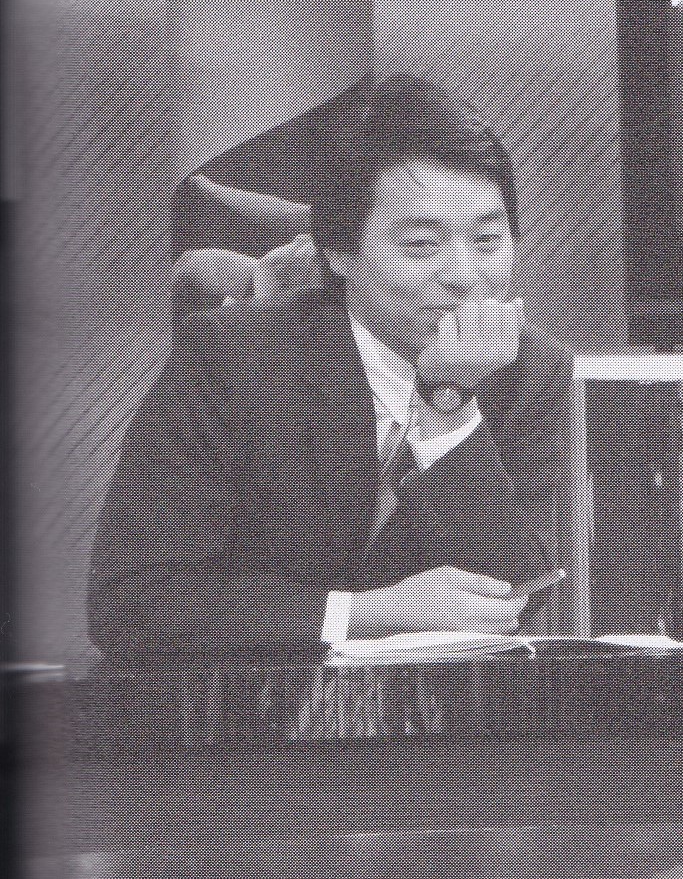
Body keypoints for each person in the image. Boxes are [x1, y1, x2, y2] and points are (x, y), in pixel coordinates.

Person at [88, 75, 573, 657]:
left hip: (460, 709)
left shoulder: (532, 370)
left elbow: (529, 596)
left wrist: (450, 405)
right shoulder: (230, 364)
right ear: (340, 252)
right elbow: (129, 600)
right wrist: (366, 614)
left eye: (487, 241)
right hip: (261, 707)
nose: (463, 275)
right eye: (422, 244)